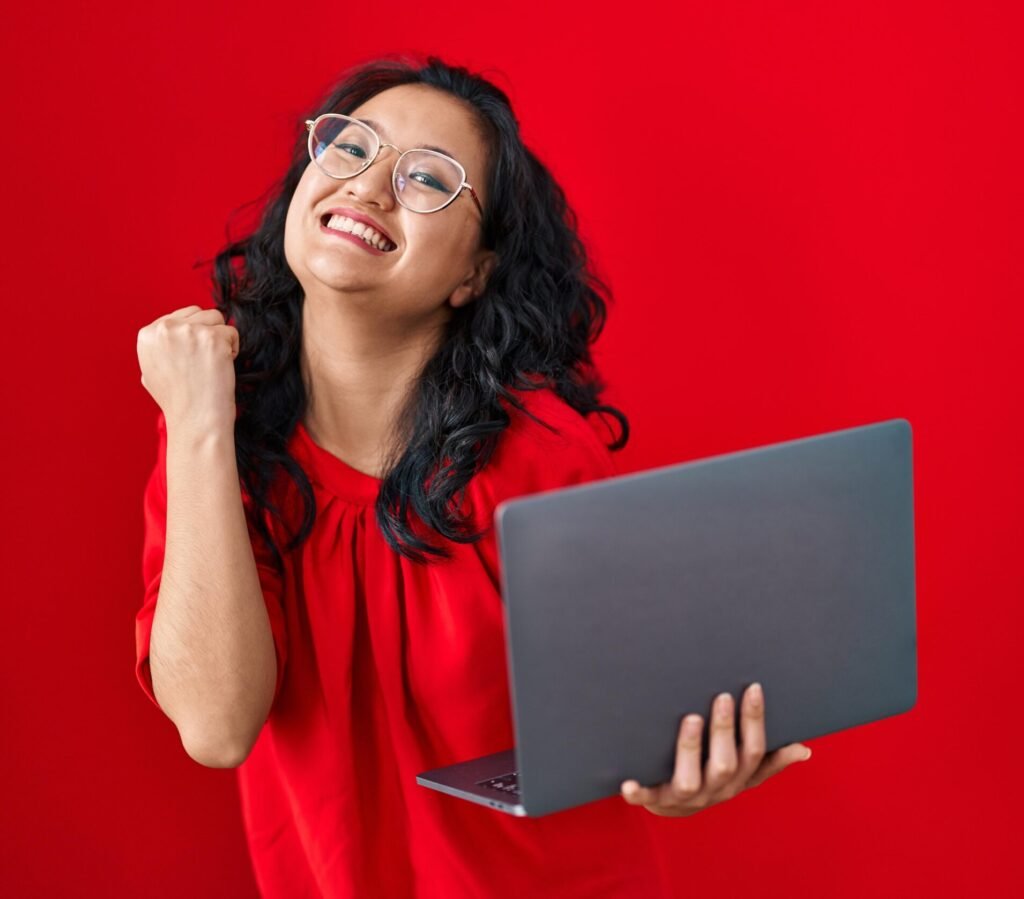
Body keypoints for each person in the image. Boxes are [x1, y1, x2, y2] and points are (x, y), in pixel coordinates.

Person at [134, 54, 811, 898]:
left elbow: (636, 721)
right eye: (349, 148)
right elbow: (216, 724)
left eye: (427, 178)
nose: (370, 187)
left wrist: (677, 770)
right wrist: (199, 419)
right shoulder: (214, 435)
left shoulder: (542, 461)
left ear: (474, 274)